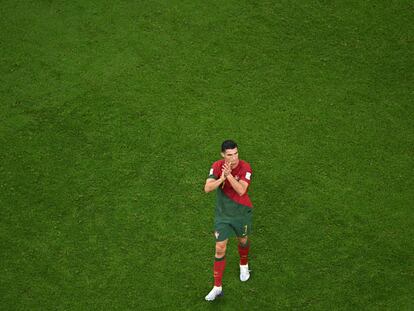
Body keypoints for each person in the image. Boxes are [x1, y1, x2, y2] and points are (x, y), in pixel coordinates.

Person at [204, 140, 254, 301]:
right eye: (230, 155)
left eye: (236, 153)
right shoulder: (217, 166)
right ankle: (217, 287)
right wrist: (221, 178)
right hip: (223, 215)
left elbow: (241, 190)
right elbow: (207, 188)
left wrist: (229, 175)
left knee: (243, 240)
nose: (234, 158)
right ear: (223, 155)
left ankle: (244, 265)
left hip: (241, 212)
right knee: (219, 248)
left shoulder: (245, 167)